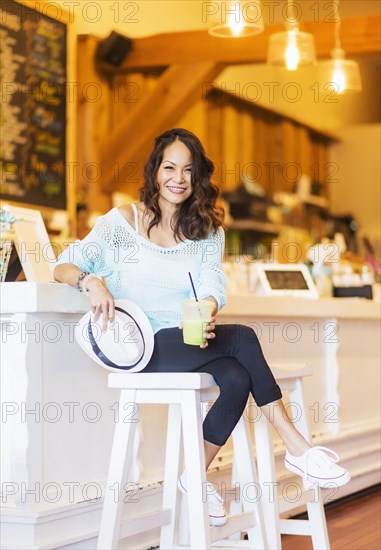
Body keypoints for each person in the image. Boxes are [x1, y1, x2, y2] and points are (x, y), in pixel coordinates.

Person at [54, 128, 350, 526]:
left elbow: (212, 283)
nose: (179, 178)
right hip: (140, 347)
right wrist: (90, 281)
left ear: (198, 178)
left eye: (188, 171)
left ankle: (193, 473)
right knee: (243, 337)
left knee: (236, 375)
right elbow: (64, 264)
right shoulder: (123, 222)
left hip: (185, 342)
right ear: (155, 171)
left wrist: (208, 307)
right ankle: (296, 444)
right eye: (170, 167)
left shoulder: (207, 231)